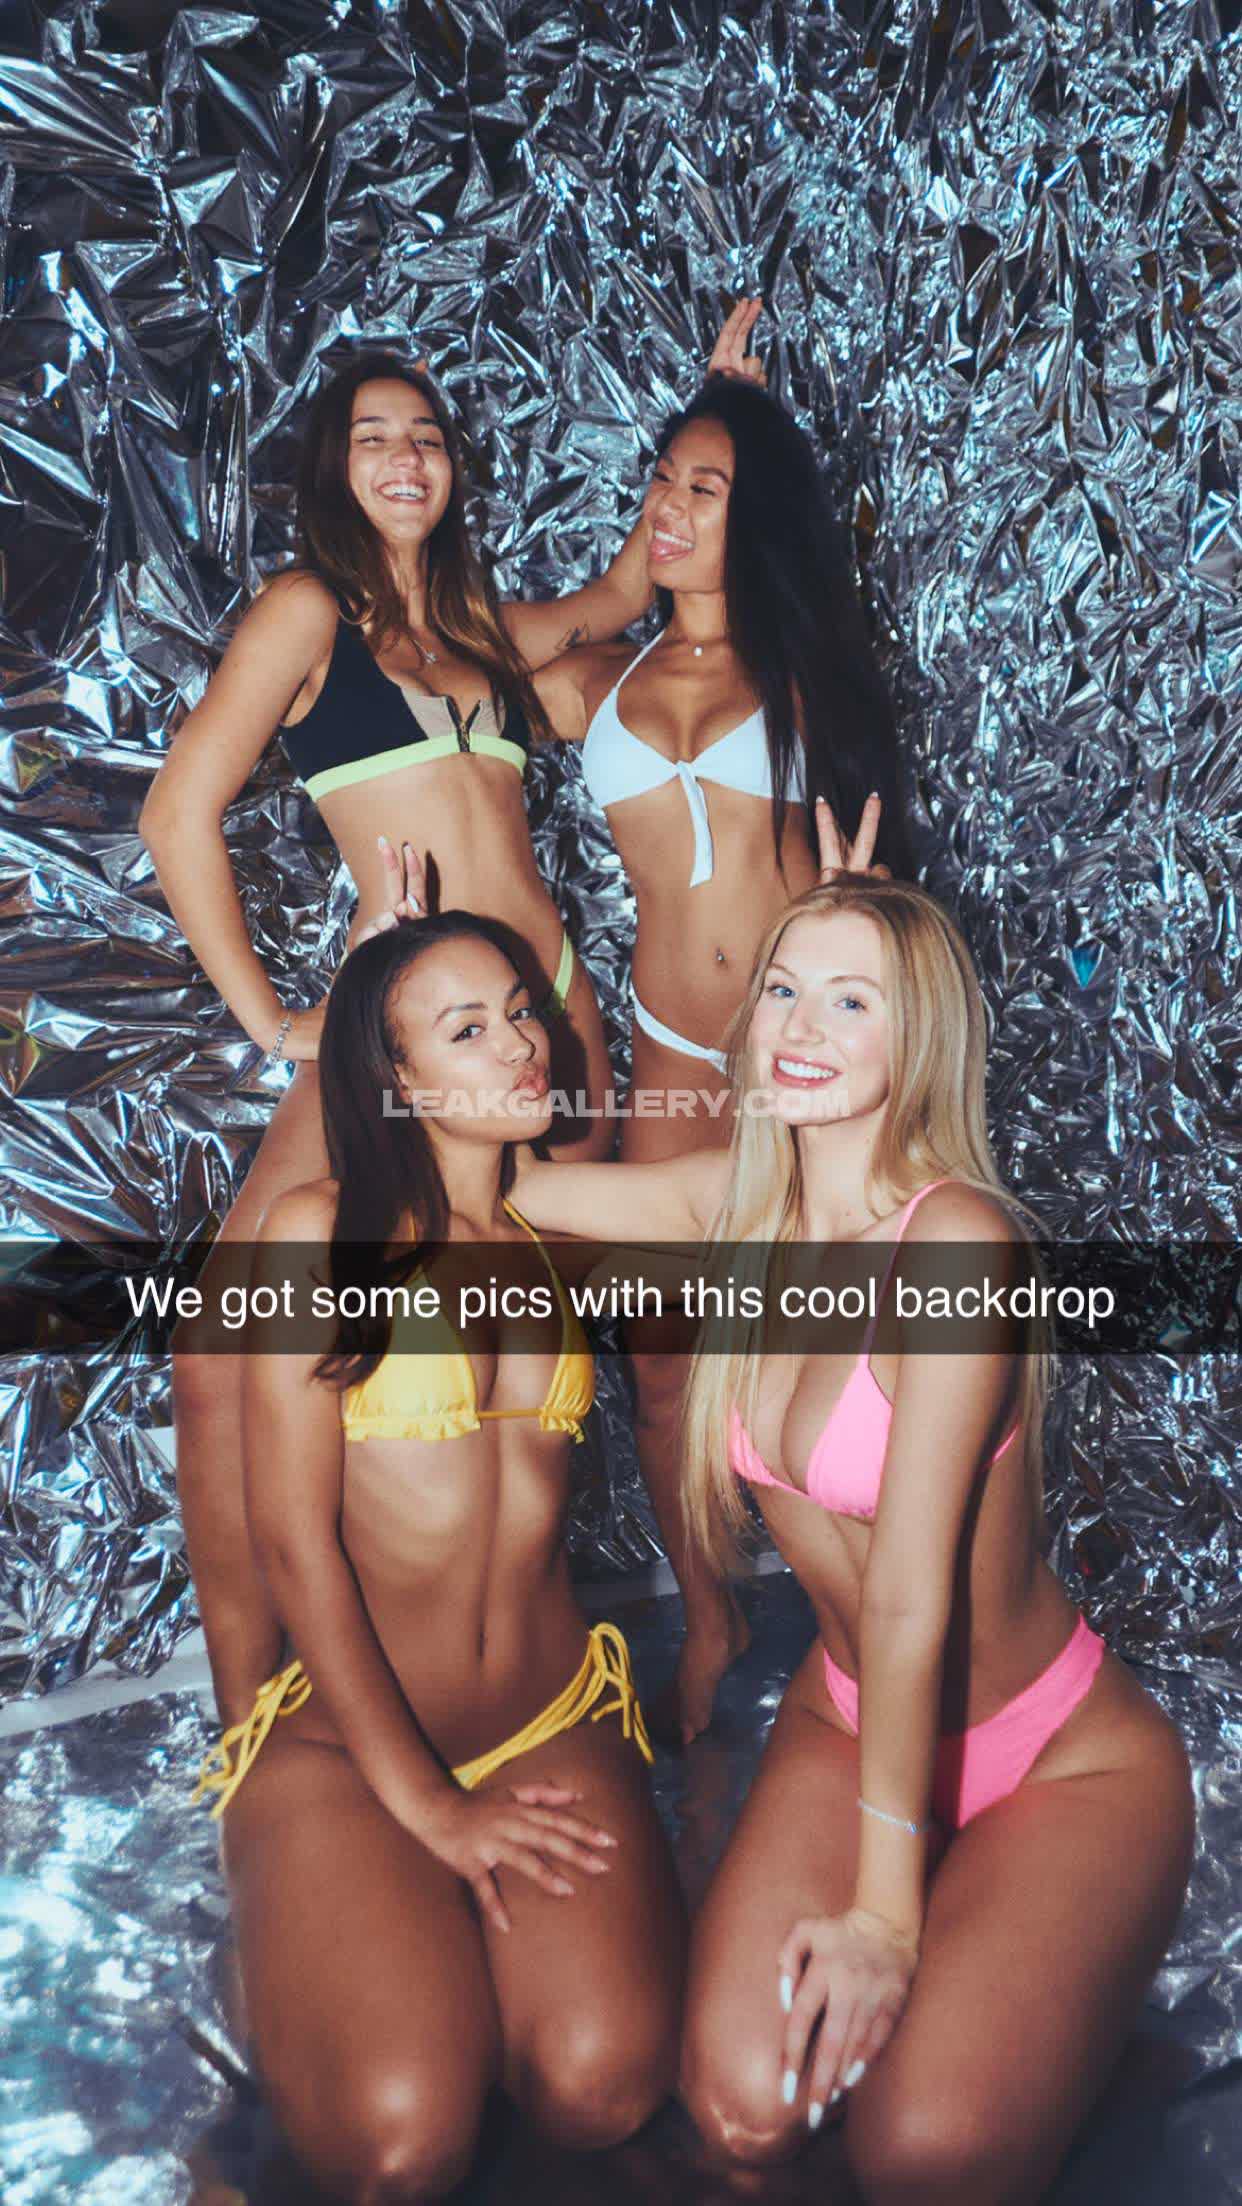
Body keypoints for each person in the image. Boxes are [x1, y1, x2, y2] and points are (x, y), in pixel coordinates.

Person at [508, 875, 1195, 2204]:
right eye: (781, 988)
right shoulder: (738, 1210)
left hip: (1058, 1760)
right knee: (737, 2108)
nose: (800, 1025)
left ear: (918, 1035)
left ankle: (1034, 1959)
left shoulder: (957, 1244)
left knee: (922, 2158)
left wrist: (886, 1914)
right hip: (847, 1714)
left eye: (850, 999)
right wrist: (399, 1009)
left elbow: (907, 1599)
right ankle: (982, 1958)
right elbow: (517, 1187)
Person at [140, 348, 656, 1733]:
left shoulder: (482, 625)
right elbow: (176, 812)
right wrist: (273, 1022)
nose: (405, 458)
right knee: (219, 1353)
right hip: (413, 1032)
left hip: (544, 1018)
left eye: (425, 434)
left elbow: (622, 595)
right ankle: (254, 1726)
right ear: (334, 467)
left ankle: (524, 1691)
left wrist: (718, 414)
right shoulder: (308, 611)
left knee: (531, 1347)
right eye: (373, 437)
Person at [193, 914, 686, 2197]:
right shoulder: (318, 1236)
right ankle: (307, 1921)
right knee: (405, 2141)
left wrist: (841, 972)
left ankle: (437, 1955)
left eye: (520, 1009)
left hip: (549, 1716)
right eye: (469, 1029)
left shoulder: (552, 1223)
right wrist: (429, 1807)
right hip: (356, 1754)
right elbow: (296, 1545)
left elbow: (753, 1192)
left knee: (602, 2087)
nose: (522, 1043)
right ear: (398, 1082)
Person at [528, 303, 913, 1740]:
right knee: (659, 1357)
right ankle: (710, 1621)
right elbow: (468, 645)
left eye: (708, 491)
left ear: (759, 523)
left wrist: (732, 439)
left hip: (790, 1057)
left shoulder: (799, 674)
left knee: (815, 1345)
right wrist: (654, 525)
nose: (673, 507)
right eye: (662, 482)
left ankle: (866, 1638)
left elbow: (856, 891)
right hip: (666, 1054)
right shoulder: (595, 680)